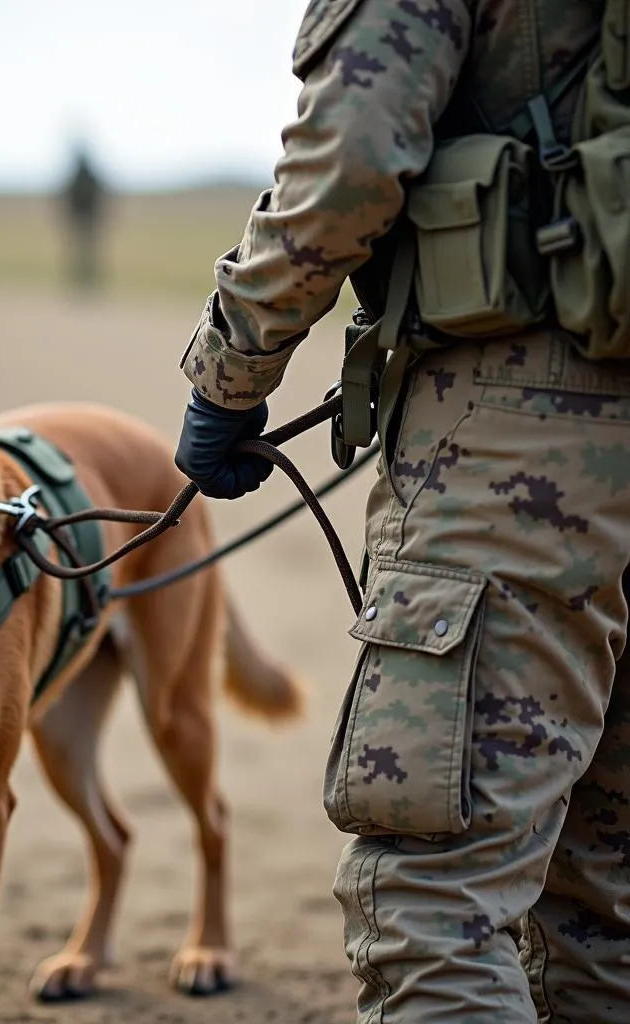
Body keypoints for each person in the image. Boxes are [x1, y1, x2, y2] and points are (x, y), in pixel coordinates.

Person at [174, 2, 630, 1021]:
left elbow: (350, 158)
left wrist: (227, 377)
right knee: (606, 910)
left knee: (432, 907)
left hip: (522, 445)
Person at [59, 142, 106, 290]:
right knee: (84, 251)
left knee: (85, 251)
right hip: (83, 218)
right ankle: (83, 279)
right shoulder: (85, 176)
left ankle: (86, 279)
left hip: (85, 218)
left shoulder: (83, 176)